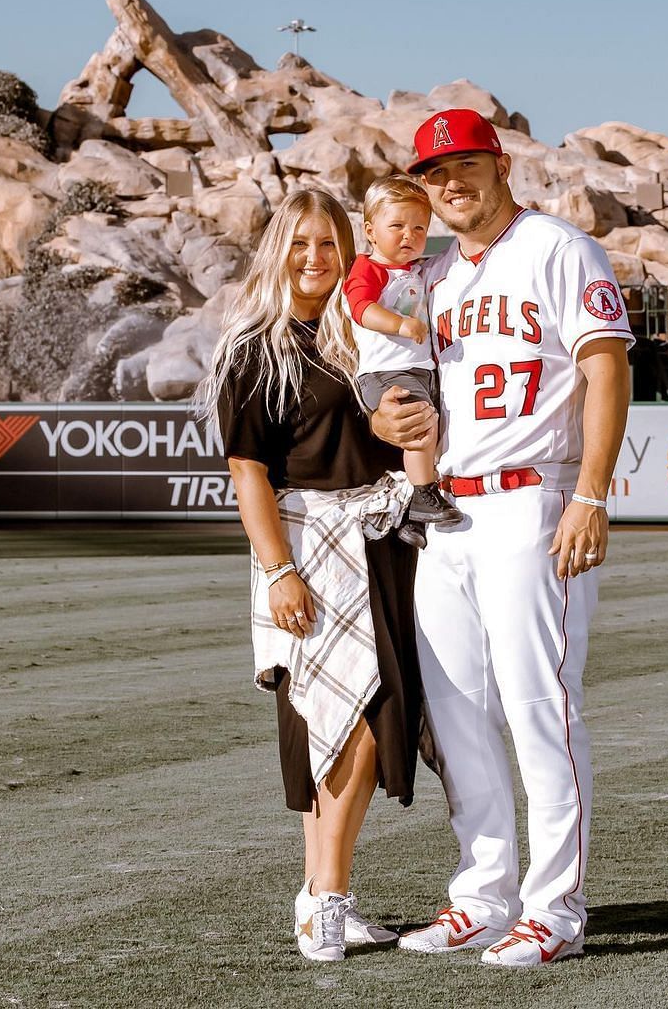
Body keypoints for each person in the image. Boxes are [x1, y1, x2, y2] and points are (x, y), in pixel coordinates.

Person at [373, 109, 634, 967]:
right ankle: (482, 896)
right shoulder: (437, 276)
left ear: (500, 163)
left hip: (533, 502)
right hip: (449, 510)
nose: (451, 184)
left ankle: (554, 909)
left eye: (465, 166)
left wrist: (590, 495)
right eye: (435, 173)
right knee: (458, 717)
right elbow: (407, 392)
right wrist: (390, 417)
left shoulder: (558, 249)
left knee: (537, 711)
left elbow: (606, 368)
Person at [197, 189, 422, 963]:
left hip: (381, 537)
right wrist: (278, 572)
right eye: (300, 243)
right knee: (345, 722)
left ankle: (326, 893)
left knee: (357, 718)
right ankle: (326, 899)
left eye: (328, 244)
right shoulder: (257, 345)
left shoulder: (357, 333)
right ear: (277, 250)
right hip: (307, 547)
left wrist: (393, 427)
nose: (315, 258)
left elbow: (393, 426)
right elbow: (248, 471)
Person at [344, 175, 463, 549]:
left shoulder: (417, 270)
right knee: (419, 429)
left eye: (419, 227)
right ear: (370, 231)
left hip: (418, 369)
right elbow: (361, 309)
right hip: (385, 371)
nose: (408, 235)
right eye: (396, 226)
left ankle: (412, 517)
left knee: (432, 431)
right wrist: (400, 323)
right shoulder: (369, 268)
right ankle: (424, 494)